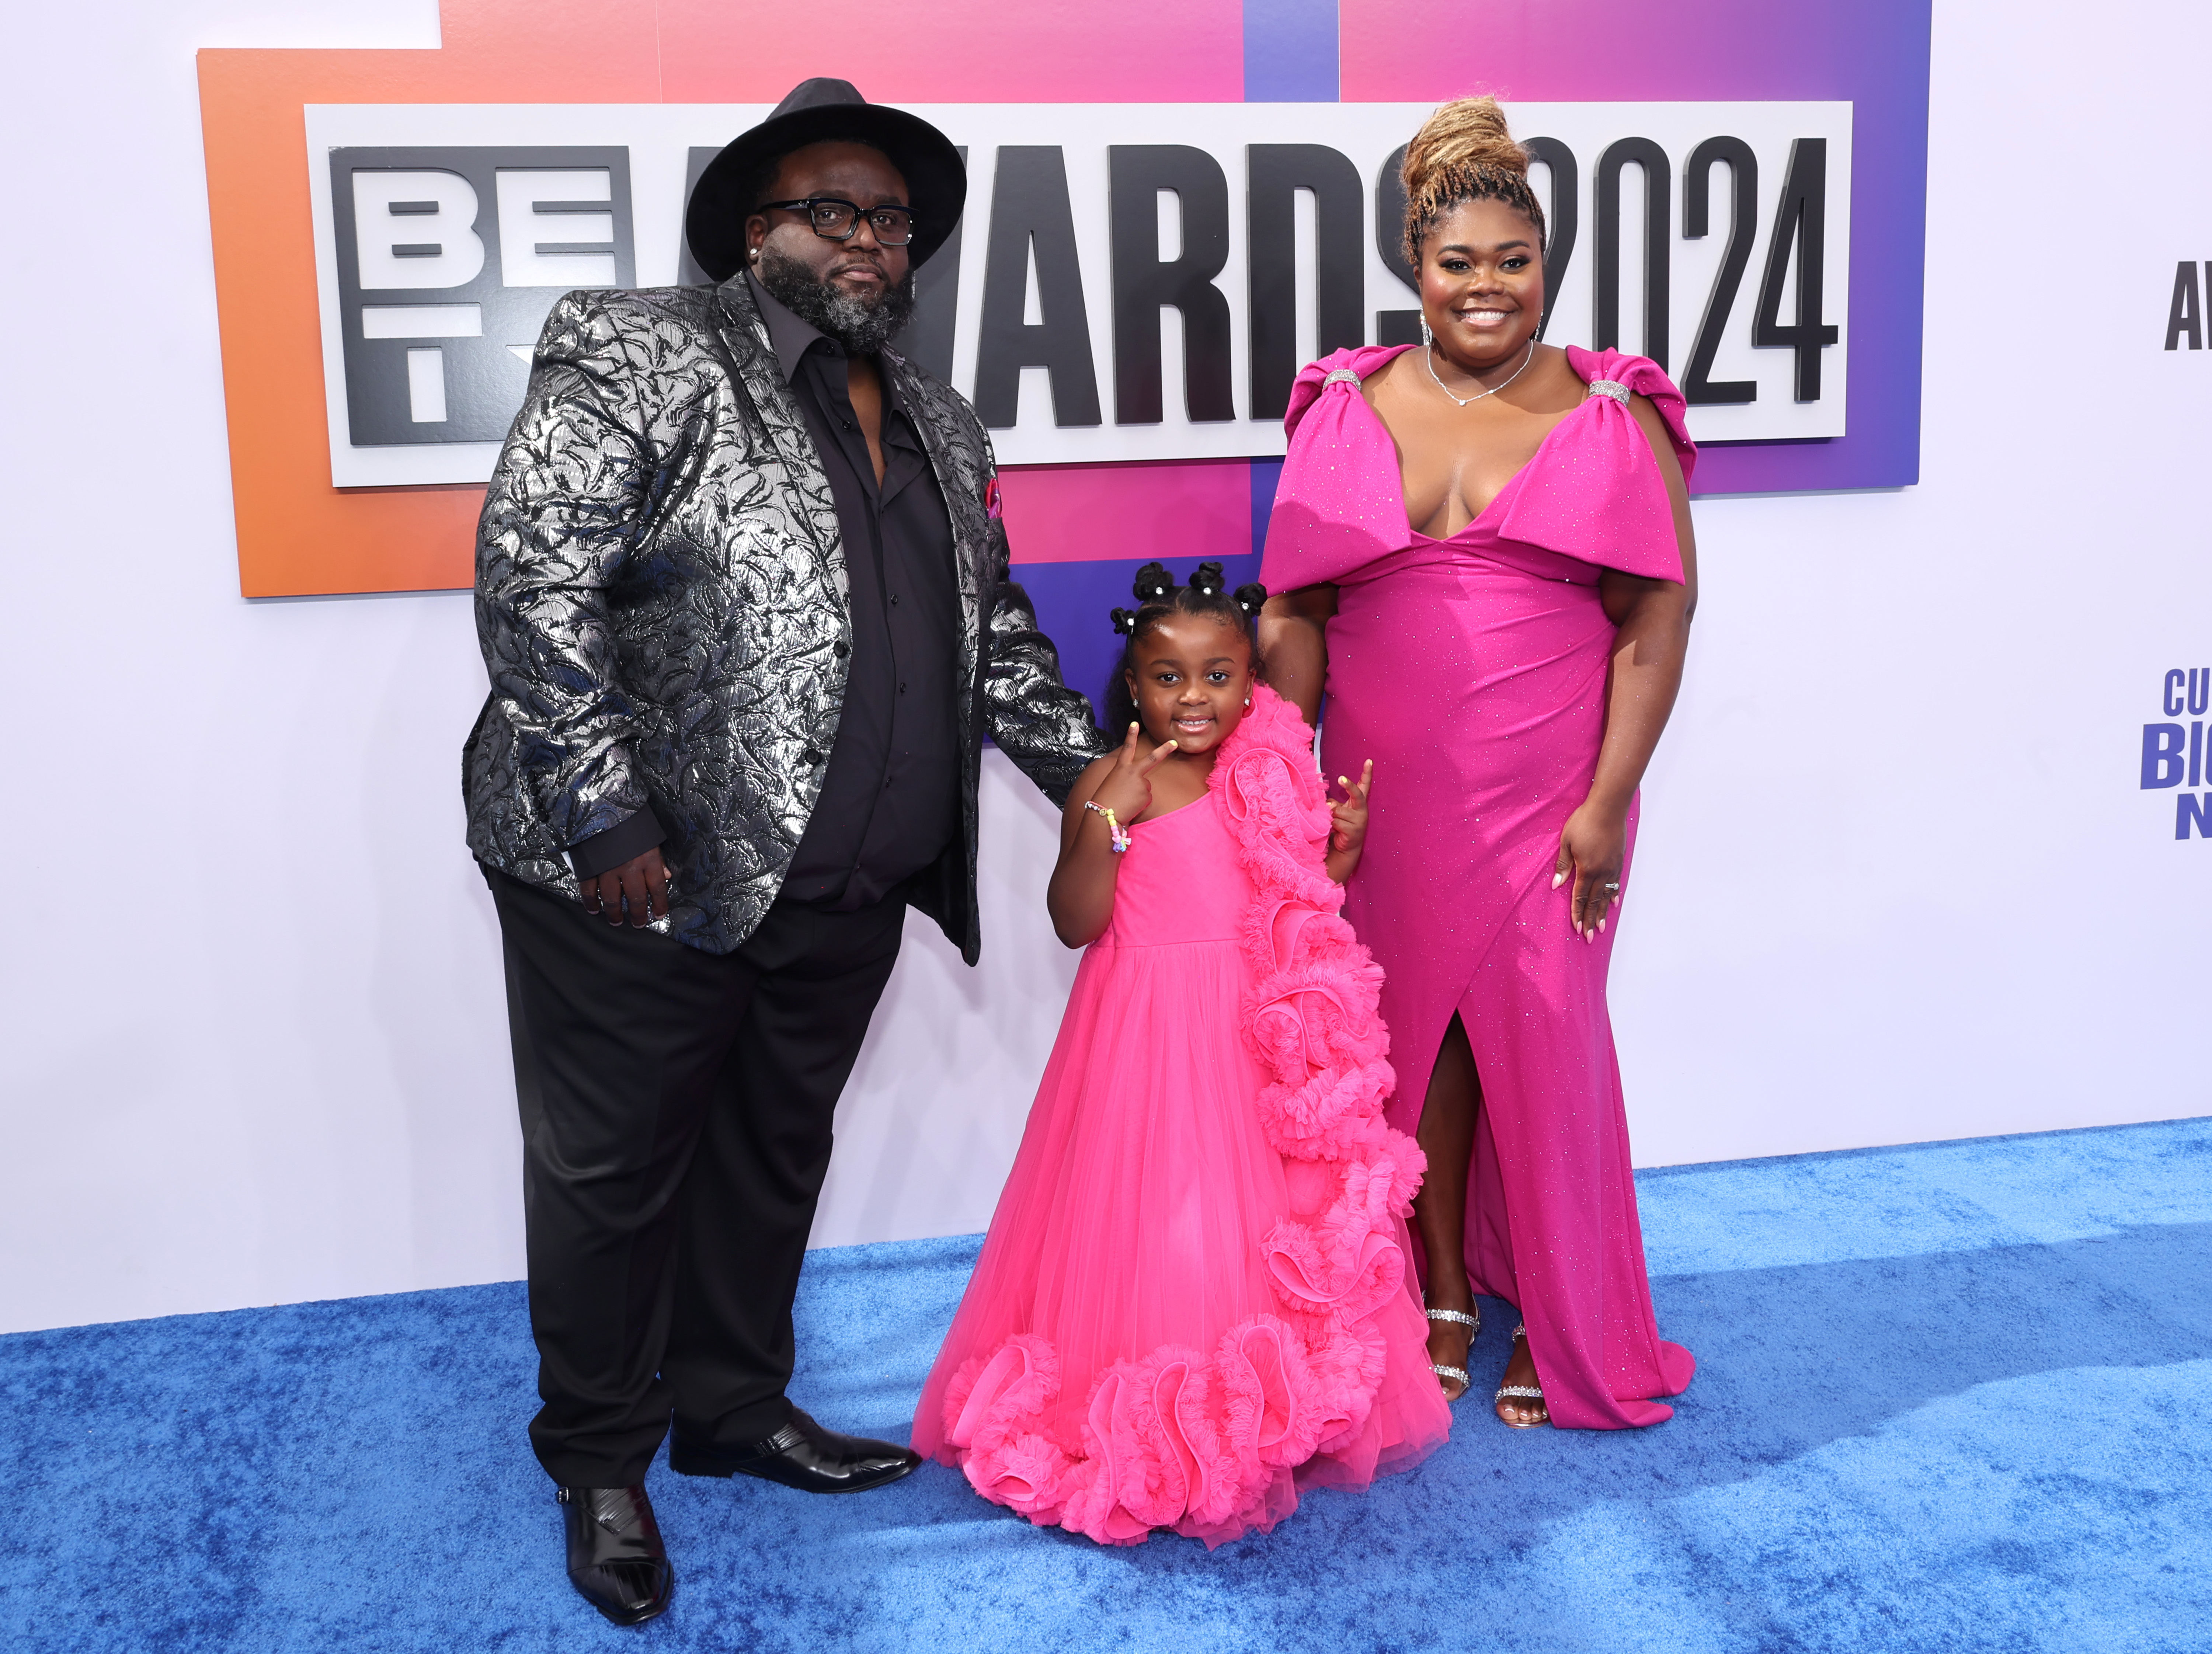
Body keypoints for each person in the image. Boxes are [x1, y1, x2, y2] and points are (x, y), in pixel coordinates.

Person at [464, 79, 1105, 1624]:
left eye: (892, 219)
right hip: (642, 880)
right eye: (835, 210)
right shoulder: (644, 350)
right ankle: (604, 1456)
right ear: (758, 234)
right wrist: (603, 811)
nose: (873, 241)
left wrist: (1114, 776)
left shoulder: (943, 421)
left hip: (849, 883)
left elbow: (992, 639)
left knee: (771, 1153)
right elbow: (529, 578)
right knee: (615, 1176)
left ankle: (734, 1406)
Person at [1259, 96, 1698, 1431]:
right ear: (1415, 265)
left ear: (1547, 264)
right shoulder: (1345, 399)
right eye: (1460, 262)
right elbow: (1293, 611)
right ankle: (1442, 1289)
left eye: (1515, 260)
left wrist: (1609, 803)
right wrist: (1286, 790)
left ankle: (1564, 1316)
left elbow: (1659, 617)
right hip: (1380, 801)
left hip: (1549, 799)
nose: (1488, 286)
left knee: (1548, 1051)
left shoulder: (1613, 406)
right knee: (1410, 1050)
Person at [912, 562, 1451, 1545]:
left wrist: (1343, 851)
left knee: (1247, 1218)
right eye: (1168, 677)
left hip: (1248, 1030)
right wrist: (1107, 824)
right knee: (1153, 1214)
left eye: (1217, 676)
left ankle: (1250, 1414)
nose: (1192, 697)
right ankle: (1153, 1424)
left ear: (1253, 683)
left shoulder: (1269, 777)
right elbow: (1074, 922)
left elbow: (1288, 895)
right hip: (1146, 1030)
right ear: (1132, 683)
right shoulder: (1119, 783)